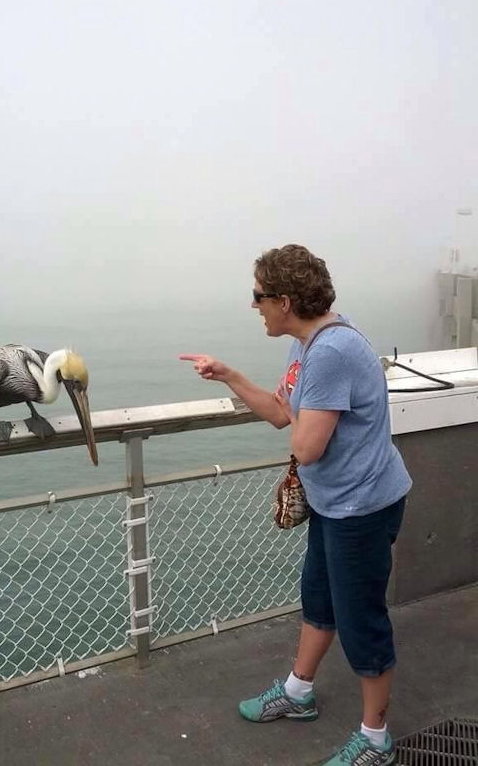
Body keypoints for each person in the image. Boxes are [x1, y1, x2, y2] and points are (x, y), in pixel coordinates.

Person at [180, 244, 411, 766]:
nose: (254, 305)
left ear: (284, 301)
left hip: (362, 507)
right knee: (320, 601)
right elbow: (286, 418)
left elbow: (307, 446)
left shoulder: (330, 352)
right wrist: (231, 376)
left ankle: (376, 740)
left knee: (361, 622)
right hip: (334, 503)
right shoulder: (308, 343)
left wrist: (302, 423)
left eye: (258, 296)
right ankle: (298, 693)